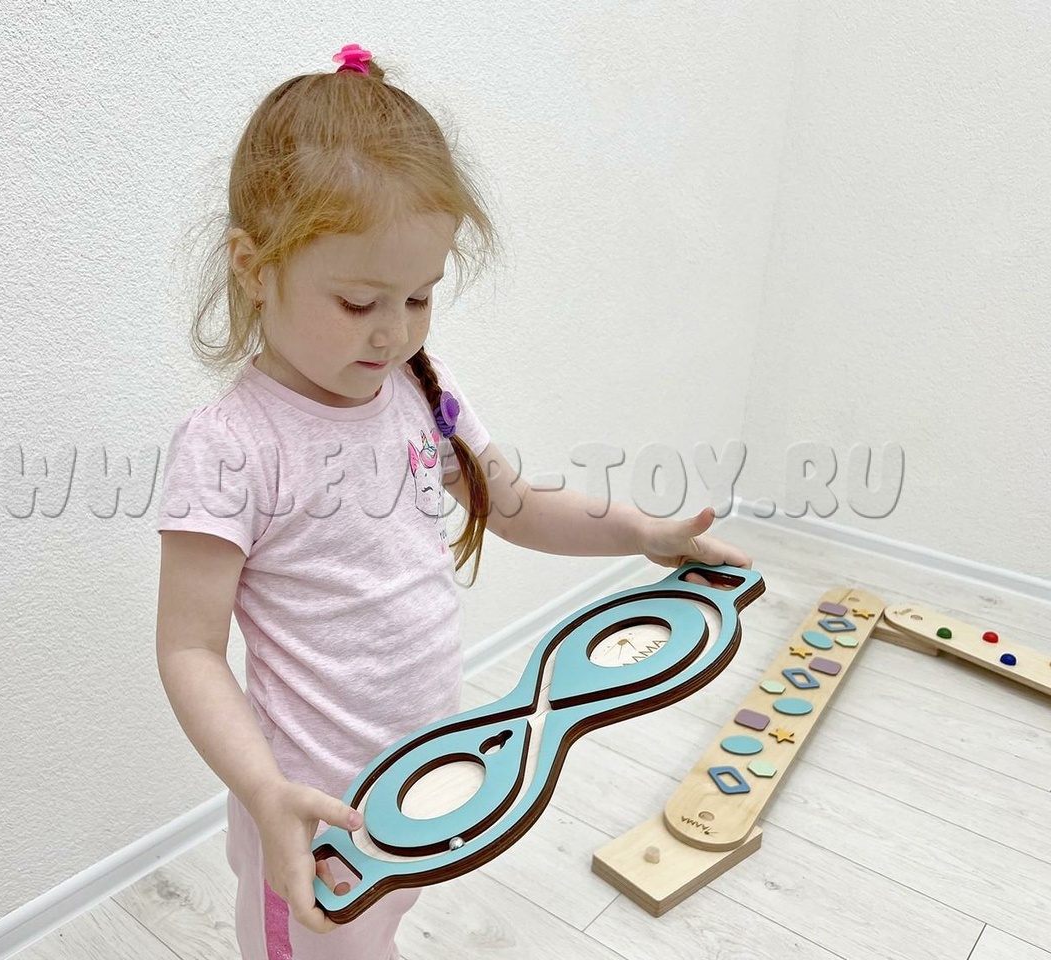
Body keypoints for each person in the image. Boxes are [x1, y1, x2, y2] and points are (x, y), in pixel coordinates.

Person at [154, 43, 751, 960]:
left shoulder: (415, 392)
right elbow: (189, 649)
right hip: (316, 819)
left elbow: (514, 504)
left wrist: (641, 531)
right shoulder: (231, 447)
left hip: (424, 780)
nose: (393, 332)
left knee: (380, 935)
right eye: (358, 302)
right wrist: (266, 794)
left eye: (420, 298)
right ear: (253, 266)